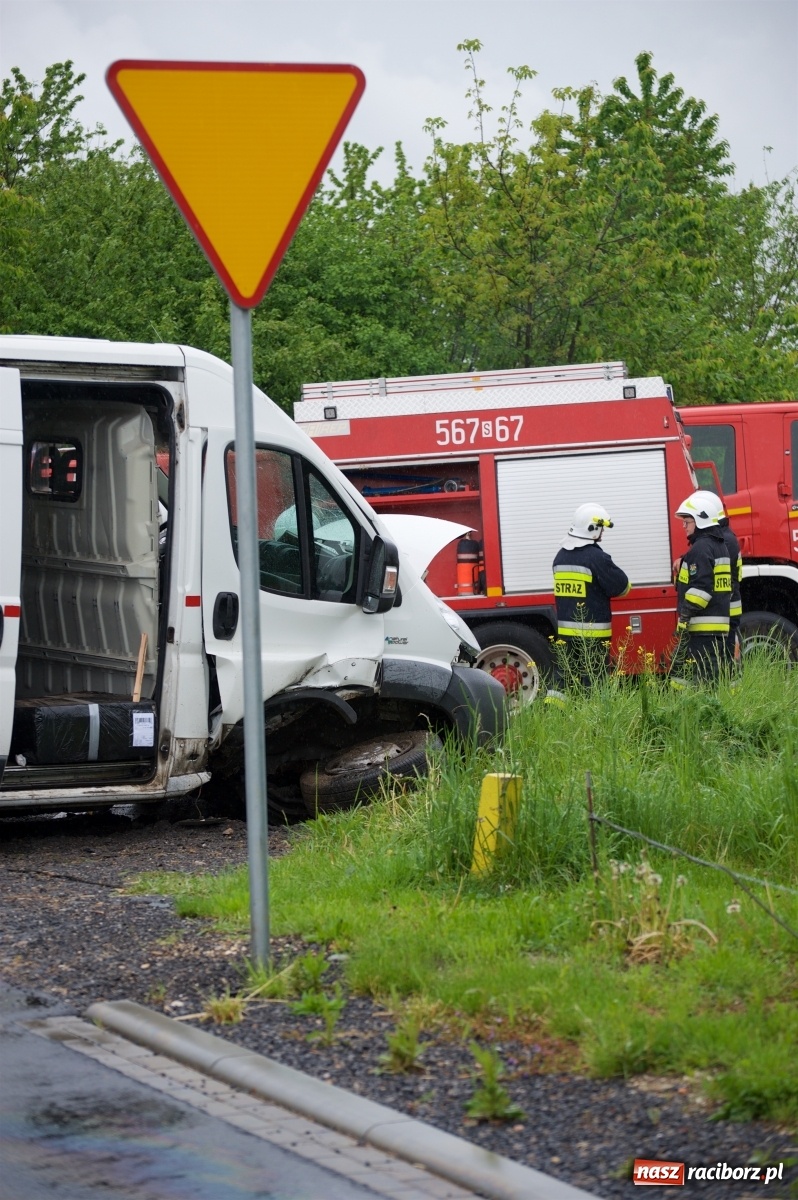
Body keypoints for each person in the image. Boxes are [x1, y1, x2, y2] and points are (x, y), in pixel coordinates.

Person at [546, 503, 631, 703]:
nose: (602, 533)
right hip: (593, 635)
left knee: (563, 680)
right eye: (601, 528)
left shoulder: (560, 557)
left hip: (566, 635)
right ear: (593, 529)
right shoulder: (597, 558)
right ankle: (595, 720)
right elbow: (622, 587)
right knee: (594, 681)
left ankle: (553, 715)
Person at [671, 492, 732, 685]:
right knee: (708, 678)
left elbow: (701, 590)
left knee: (700, 681)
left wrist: (685, 616)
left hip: (702, 628)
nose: (683, 526)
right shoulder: (719, 546)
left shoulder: (701, 548)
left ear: (700, 520)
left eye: (687, 521)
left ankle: (693, 713)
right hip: (717, 628)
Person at [688, 490, 743, 665]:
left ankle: (731, 690)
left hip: (725, 610)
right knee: (723, 662)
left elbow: (707, 570)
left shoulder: (722, 540)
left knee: (724, 662)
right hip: (725, 608)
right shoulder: (725, 537)